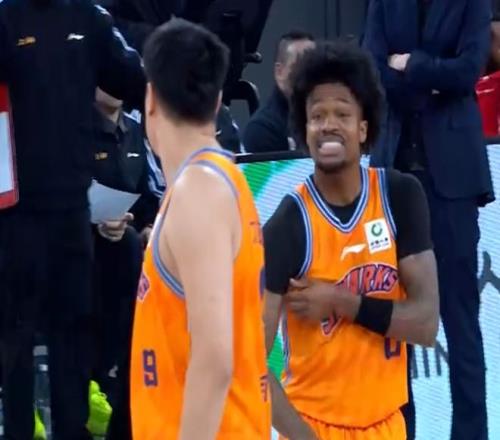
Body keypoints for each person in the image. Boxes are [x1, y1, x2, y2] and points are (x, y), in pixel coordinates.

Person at [263, 41, 439, 440]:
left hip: (386, 425)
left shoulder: (399, 196)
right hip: (314, 426)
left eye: (342, 113)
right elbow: (252, 363)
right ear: (304, 130)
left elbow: (426, 323)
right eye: (316, 116)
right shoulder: (289, 224)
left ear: (363, 128)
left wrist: (339, 301)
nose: (328, 125)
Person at [0, 1, 145, 439]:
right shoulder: (4, 17)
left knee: (74, 335)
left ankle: (73, 429)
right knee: (14, 339)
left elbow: (133, 79)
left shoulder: (90, 18)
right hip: (14, 215)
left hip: (73, 214)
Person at [129, 18, 271, 439]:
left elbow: (214, 357)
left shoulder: (199, 191)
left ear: (150, 99)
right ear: (218, 101)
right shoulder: (223, 180)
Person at [363, 1, 492, 438]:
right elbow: (373, 71)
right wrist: (433, 79)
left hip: (452, 180)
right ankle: (400, 431)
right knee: (394, 318)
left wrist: (412, 66)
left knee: (460, 318)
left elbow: (469, 70)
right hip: (394, 172)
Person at [89, 88, 158, 437]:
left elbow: (145, 197)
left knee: (137, 244)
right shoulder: (74, 129)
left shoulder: (134, 130)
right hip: (85, 248)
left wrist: (148, 226)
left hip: (128, 247)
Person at [243, 30, 315, 153]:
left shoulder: (328, 119)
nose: (308, 74)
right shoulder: (262, 130)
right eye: (299, 67)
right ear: (279, 72)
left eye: (314, 66)